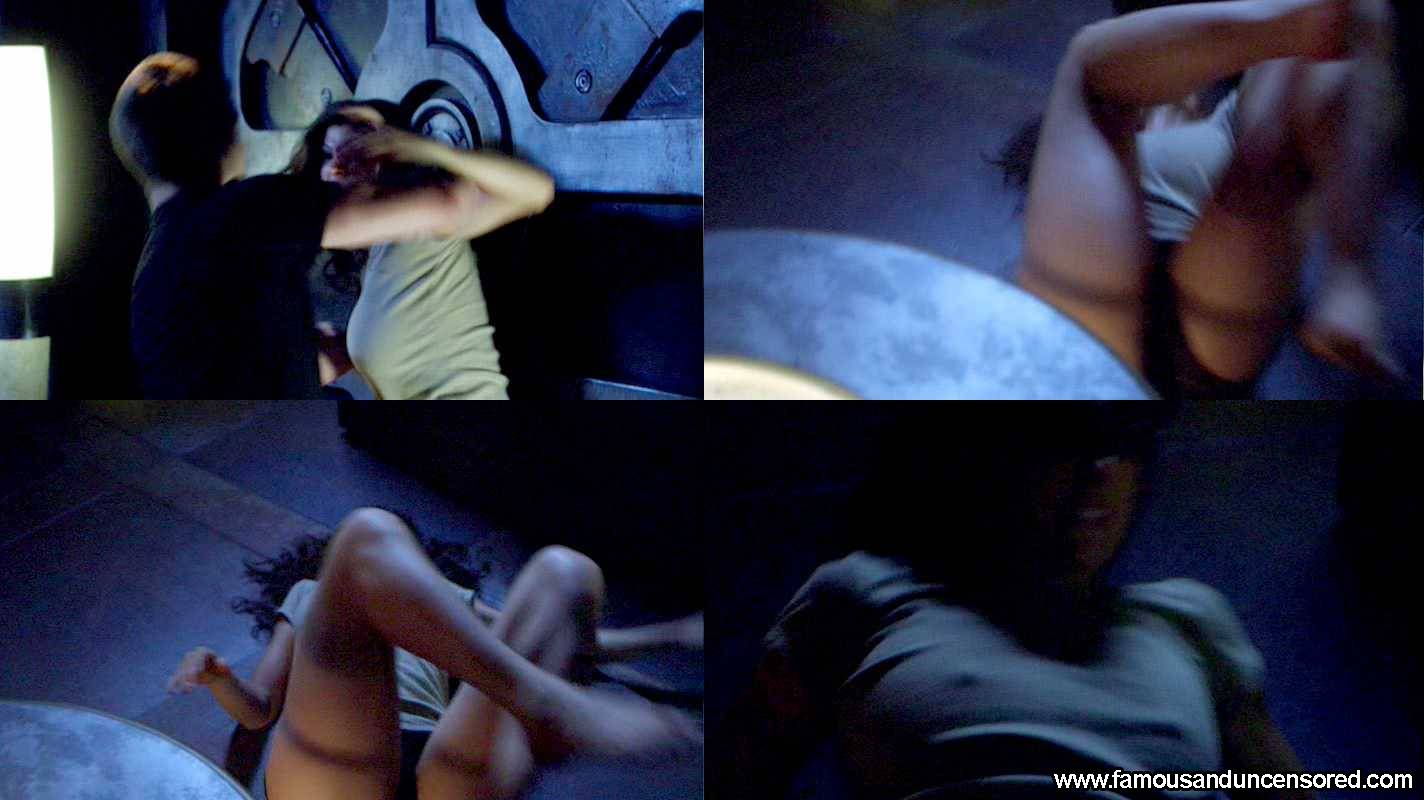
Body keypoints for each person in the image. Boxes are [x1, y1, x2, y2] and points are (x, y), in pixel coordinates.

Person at [724, 413, 1317, 799]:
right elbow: (739, 773)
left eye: (1121, 447)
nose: (1098, 472)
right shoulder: (867, 593)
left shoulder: (1186, 618)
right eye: (1067, 442)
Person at [1011, 0, 1410, 397]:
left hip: (1120, 296)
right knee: (1272, 134)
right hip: (1208, 315)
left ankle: (1350, 279)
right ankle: (1350, 278)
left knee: (1089, 69)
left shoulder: (1213, 115)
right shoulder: (1202, 119)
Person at [167, 508, 702, 800]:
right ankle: (545, 707)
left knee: (566, 572)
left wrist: (669, 635)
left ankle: (546, 707)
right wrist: (218, 677)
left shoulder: (444, 605)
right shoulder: (309, 595)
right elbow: (259, 710)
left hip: (439, 766)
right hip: (340, 773)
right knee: (366, 535)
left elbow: (562, 641)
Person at [109, 54, 508, 397]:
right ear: (221, 133)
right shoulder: (244, 211)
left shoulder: (150, 280)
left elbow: (238, 366)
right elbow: (452, 205)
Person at [288, 101, 554, 399]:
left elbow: (537, 190)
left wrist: (424, 149)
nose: (338, 165)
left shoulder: (425, 226)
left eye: (355, 149)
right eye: (328, 154)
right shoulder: (375, 255)